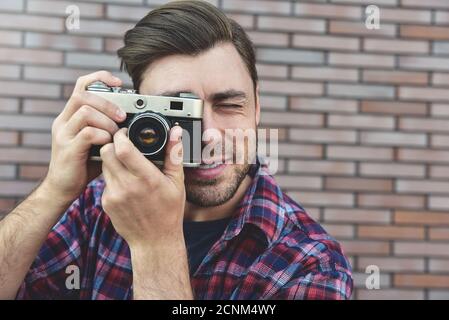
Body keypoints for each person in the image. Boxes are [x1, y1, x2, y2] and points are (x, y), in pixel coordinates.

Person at [0, 0, 352, 299]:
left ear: (257, 106)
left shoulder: (310, 263)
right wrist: (55, 191)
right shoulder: (96, 206)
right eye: (179, 112)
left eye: (229, 105)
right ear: (138, 116)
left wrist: (155, 245)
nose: (209, 135)